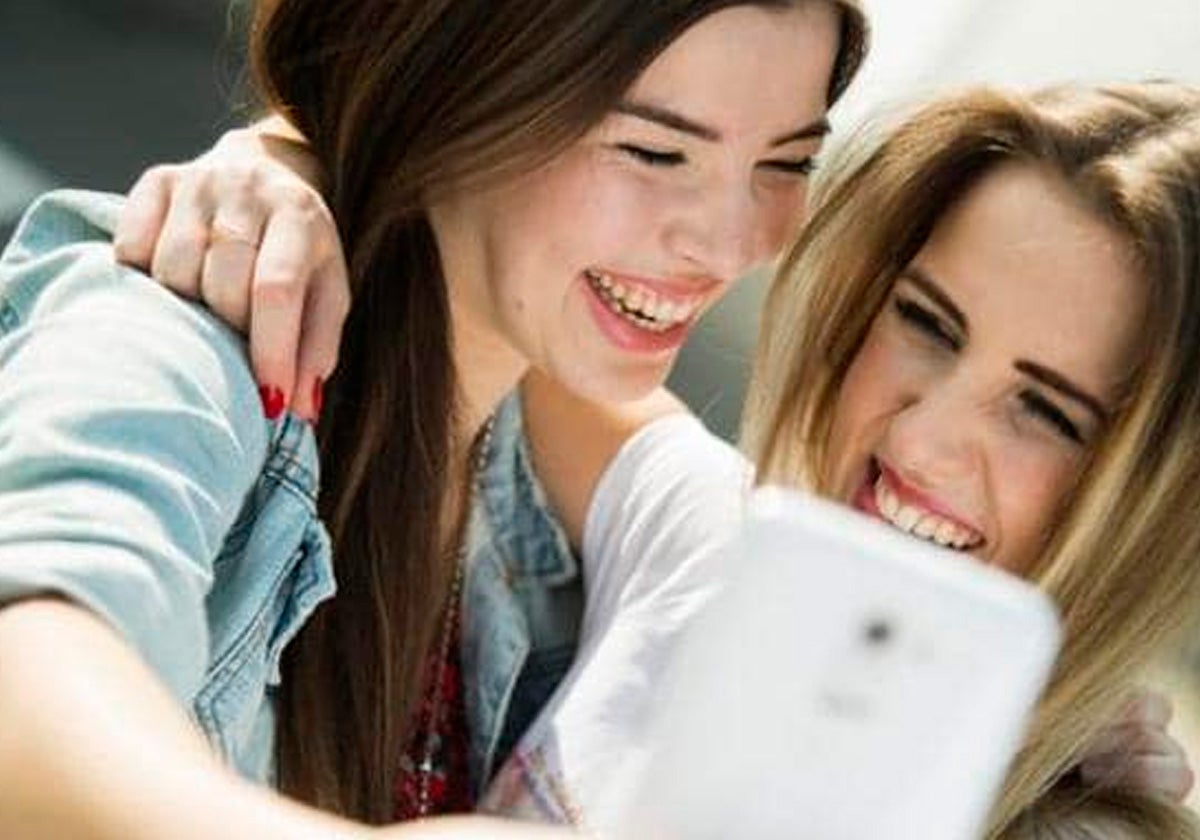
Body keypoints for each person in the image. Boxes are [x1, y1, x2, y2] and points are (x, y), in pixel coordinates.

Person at [125, 80, 1200, 839]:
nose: (918, 440)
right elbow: (487, 255)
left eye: (1048, 414)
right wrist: (284, 163)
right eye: (926, 321)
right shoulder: (716, 539)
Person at [0, 0, 869, 836]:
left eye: (786, 163)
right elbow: (29, 659)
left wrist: (290, 146)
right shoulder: (184, 334)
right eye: (653, 152)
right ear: (466, 93)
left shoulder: (540, 463)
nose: (727, 245)